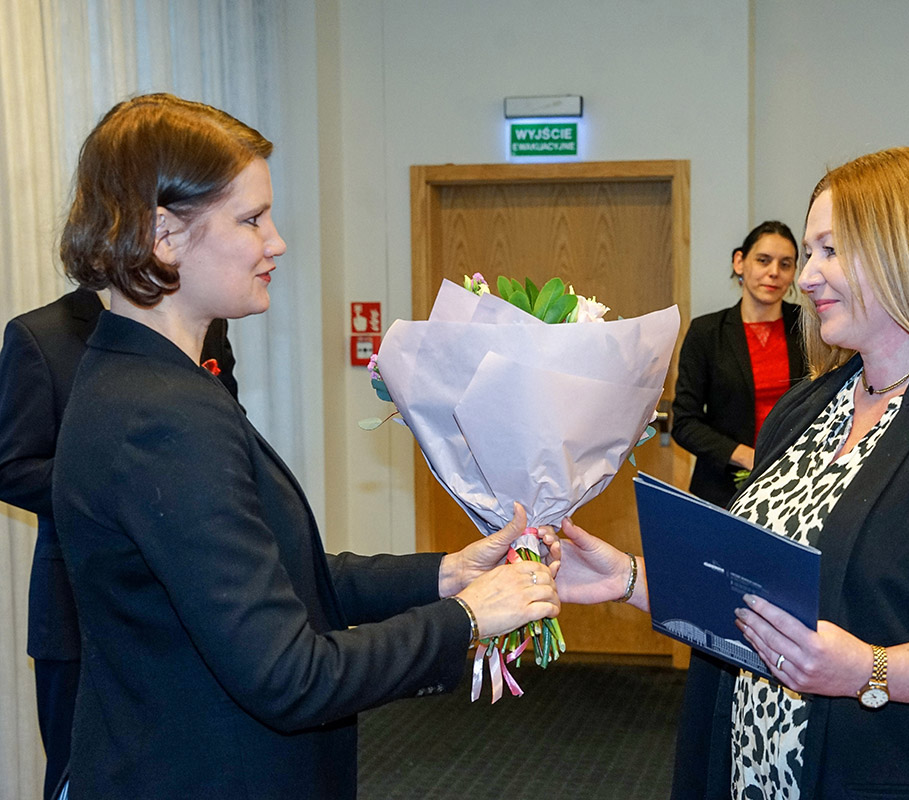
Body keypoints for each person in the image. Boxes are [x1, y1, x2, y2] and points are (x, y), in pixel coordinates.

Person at [554, 147, 909, 799]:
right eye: (809, 252)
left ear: (907, 254)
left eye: (830, 250)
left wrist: (871, 671)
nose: (805, 277)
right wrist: (631, 579)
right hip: (755, 772)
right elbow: (756, 593)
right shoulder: (805, 408)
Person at [50, 93, 559, 799]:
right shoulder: (161, 415)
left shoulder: (140, 378)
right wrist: (467, 619)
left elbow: (274, 580)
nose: (277, 241)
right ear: (163, 235)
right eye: (252, 219)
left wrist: (445, 575)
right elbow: (289, 676)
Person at [0, 288, 236, 800]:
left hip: (192, 596)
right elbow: (11, 468)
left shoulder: (208, 324)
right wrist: (120, 481)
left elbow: (228, 436)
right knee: (80, 776)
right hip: (76, 607)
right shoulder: (39, 335)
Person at [671, 221, 807, 508]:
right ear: (740, 262)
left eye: (785, 264)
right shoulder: (707, 332)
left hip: (797, 485)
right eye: (763, 260)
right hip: (722, 492)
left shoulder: (810, 329)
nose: (774, 272)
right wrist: (747, 456)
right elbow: (684, 423)